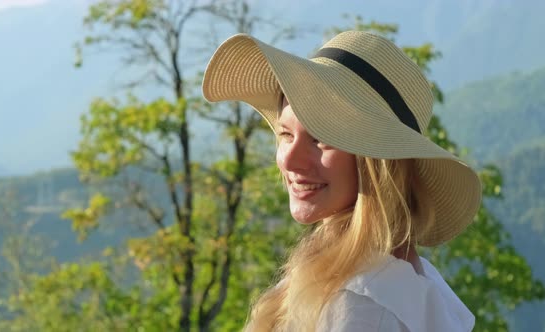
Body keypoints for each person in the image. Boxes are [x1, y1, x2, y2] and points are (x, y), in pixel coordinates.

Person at [202, 31, 482, 332]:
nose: (288, 160)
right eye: (286, 134)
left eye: (321, 138)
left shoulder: (361, 307)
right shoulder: (397, 284)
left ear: (376, 163)